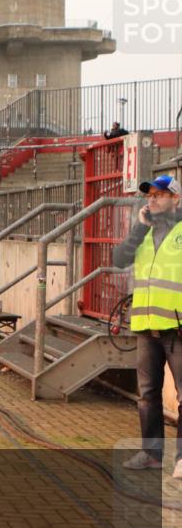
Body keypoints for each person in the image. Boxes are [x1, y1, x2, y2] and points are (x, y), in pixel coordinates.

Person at [113, 175, 182, 476]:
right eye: (150, 195)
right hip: (146, 327)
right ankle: (151, 454)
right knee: (148, 395)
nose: (153, 200)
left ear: (176, 198)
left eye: (161, 195)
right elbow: (119, 259)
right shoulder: (144, 231)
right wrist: (140, 226)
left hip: (178, 329)